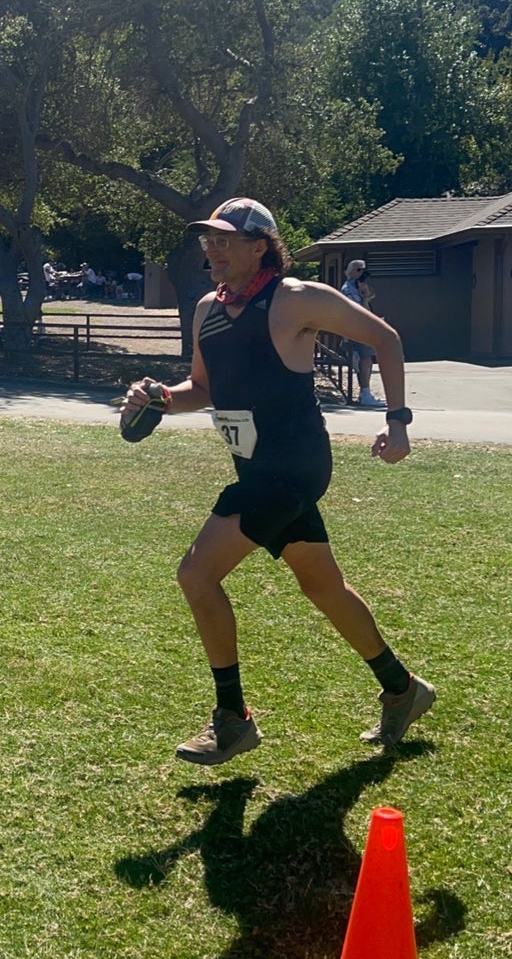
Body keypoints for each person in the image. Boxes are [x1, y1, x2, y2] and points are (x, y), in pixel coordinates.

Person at [120, 197, 433, 767]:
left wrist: (398, 422)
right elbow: (204, 388)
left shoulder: (295, 299)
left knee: (196, 573)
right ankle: (402, 688)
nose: (212, 250)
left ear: (260, 244)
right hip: (255, 467)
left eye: (225, 240)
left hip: (293, 466)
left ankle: (232, 719)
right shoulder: (206, 310)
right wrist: (160, 398)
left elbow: (385, 338)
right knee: (323, 587)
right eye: (208, 240)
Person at [341, 258, 384, 408]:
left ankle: (366, 393)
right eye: (359, 270)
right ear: (351, 271)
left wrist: (366, 296)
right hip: (356, 329)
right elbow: (361, 312)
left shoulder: (358, 287)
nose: (362, 273)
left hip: (363, 328)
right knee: (364, 360)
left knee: (367, 360)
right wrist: (365, 299)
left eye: (364, 269)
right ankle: (365, 395)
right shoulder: (348, 289)